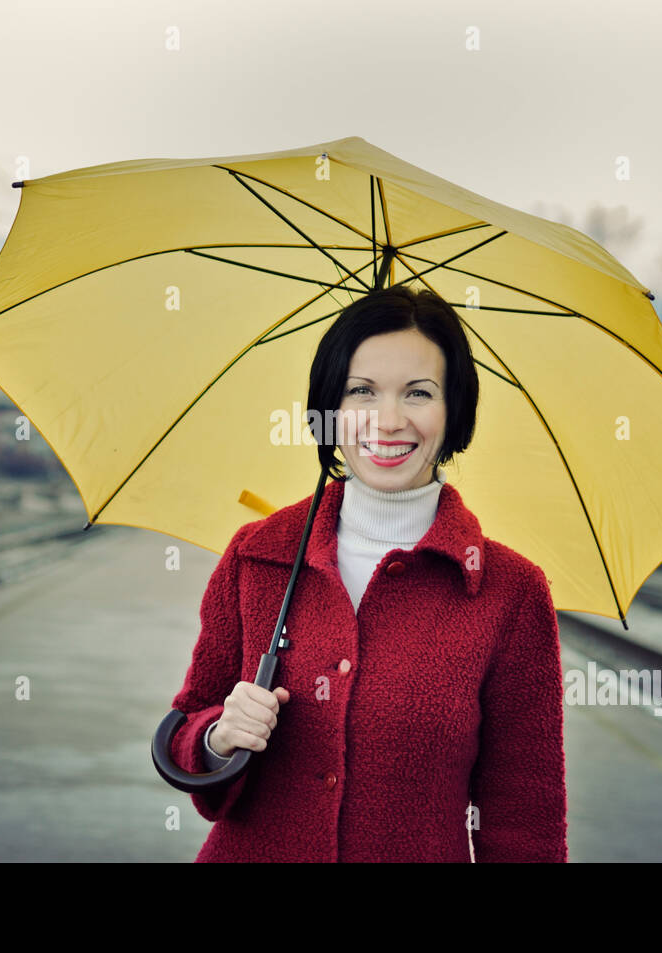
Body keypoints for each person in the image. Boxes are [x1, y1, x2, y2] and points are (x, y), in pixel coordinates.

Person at [167, 284, 567, 862]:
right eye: (362, 391)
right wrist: (217, 737)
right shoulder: (259, 555)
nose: (388, 420)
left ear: (455, 410)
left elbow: (525, 824)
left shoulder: (509, 592)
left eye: (419, 393)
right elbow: (187, 740)